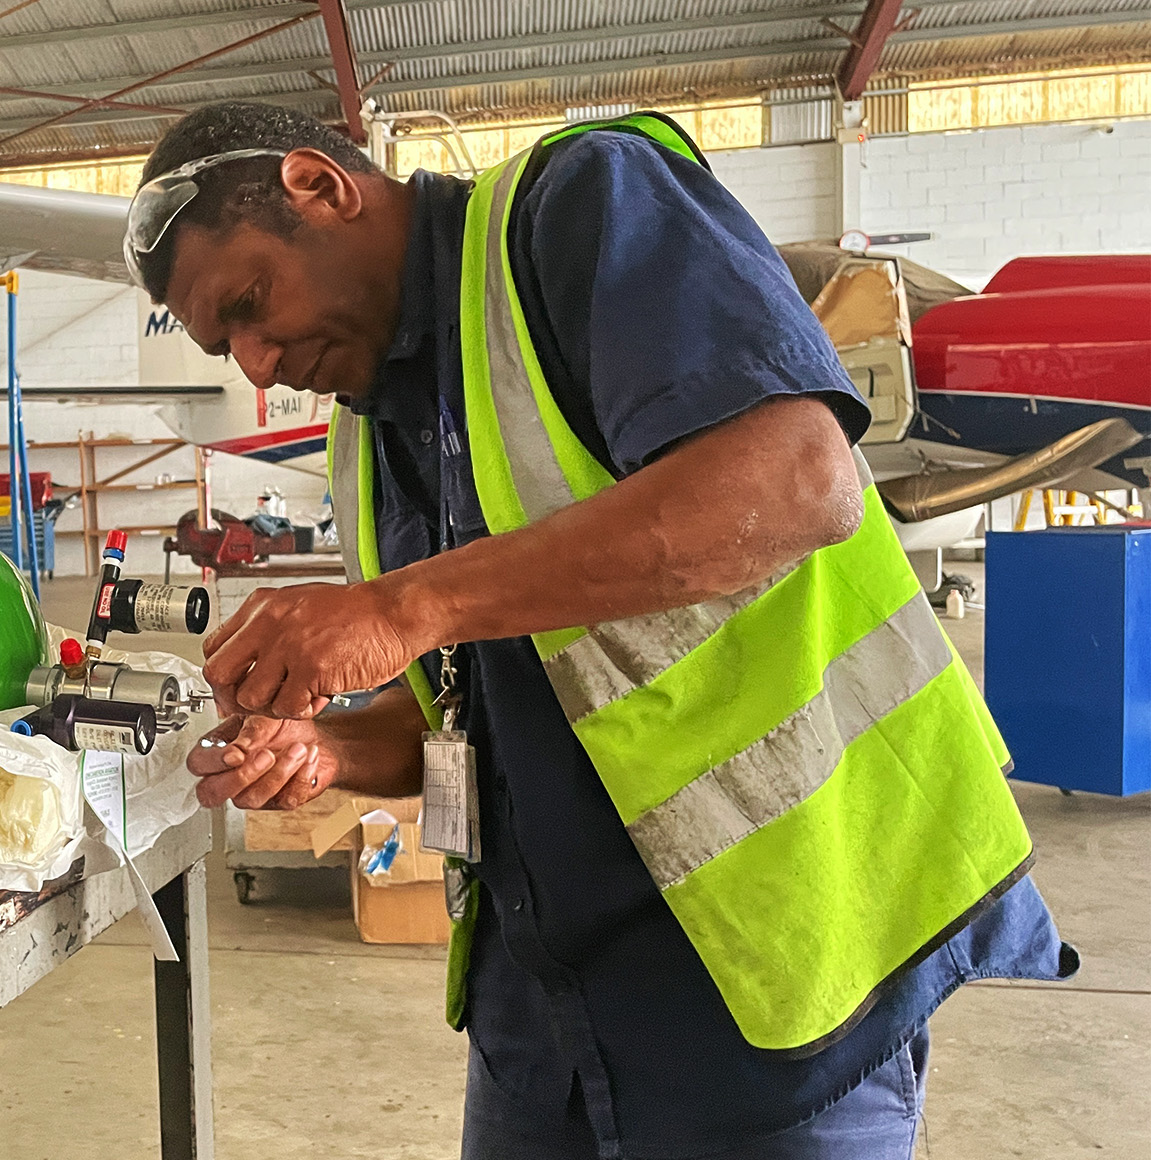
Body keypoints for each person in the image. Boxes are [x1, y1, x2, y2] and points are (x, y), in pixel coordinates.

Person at [130, 102, 1076, 1160]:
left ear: (320, 185)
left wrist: (401, 603)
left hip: (772, 985)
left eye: (251, 305)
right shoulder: (372, 431)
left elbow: (797, 479)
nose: (257, 364)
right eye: (228, 346)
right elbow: (485, 698)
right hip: (544, 1023)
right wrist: (333, 745)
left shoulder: (579, 208)